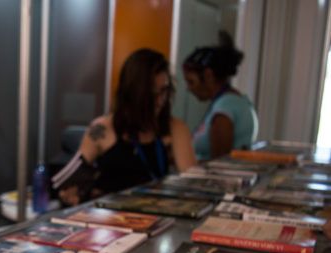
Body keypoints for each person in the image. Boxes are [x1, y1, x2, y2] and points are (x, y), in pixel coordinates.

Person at [54, 49, 196, 206]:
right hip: (108, 217)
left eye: (164, 91)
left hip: (153, 214)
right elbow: (69, 180)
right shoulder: (102, 128)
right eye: (151, 94)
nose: (160, 101)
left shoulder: (175, 128)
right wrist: (72, 193)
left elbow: (191, 186)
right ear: (134, 93)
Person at [182, 31, 258, 160]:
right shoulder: (238, 101)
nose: (188, 88)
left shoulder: (224, 109)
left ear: (208, 75)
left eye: (191, 82)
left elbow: (218, 164)